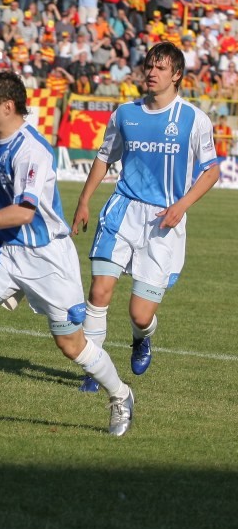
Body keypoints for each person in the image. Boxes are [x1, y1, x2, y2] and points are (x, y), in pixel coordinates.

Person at [0, 72, 135, 436]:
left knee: (71, 345)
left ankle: (121, 395)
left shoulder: (32, 150)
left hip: (46, 257)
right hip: (5, 249)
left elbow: (25, 213)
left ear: (7, 106)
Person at [72, 42, 220, 393]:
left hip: (163, 220)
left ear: (177, 75)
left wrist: (182, 205)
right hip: (122, 211)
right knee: (99, 291)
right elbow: (105, 157)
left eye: (161, 68)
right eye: (149, 66)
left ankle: (142, 338)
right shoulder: (125, 114)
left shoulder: (193, 119)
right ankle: (94, 369)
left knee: (140, 314)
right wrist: (84, 200)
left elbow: (211, 170)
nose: (152, 73)